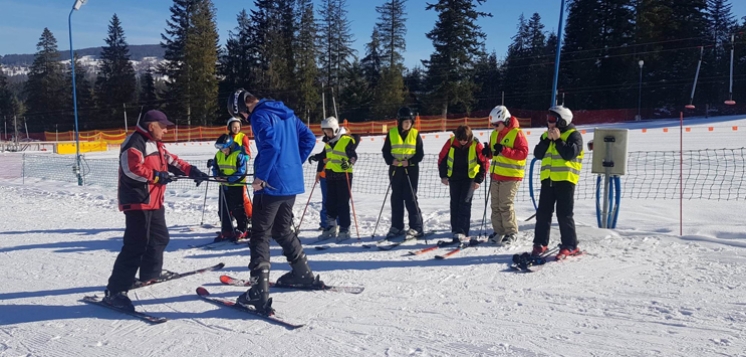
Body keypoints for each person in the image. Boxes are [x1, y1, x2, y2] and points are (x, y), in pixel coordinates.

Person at [103, 110, 208, 311]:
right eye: (163, 126)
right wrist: (157, 176)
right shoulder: (134, 142)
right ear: (152, 125)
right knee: (136, 245)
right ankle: (115, 291)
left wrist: (191, 170)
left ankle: (150, 274)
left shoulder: (155, 143)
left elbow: (171, 161)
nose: (166, 130)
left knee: (160, 237)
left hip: (154, 200)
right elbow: (131, 170)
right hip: (138, 201)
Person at [227, 88, 319, 315]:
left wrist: (262, 177)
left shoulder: (259, 115)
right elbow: (308, 138)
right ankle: (302, 273)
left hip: (271, 185)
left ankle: (258, 292)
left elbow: (271, 146)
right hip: (291, 183)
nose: (244, 120)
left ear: (243, 108)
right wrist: (291, 164)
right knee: (282, 229)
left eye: (241, 116)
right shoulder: (284, 112)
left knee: (260, 234)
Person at [531, 105, 584, 259]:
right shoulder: (545, 136)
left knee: (564, 214)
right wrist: (548, 140)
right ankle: (540, 243)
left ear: (562, 121)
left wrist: (558, 140)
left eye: (552, 119)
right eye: (548, 119)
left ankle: (570, 245)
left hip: (565, 181)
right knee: (543, 214)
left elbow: (569, 154)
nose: (549, 123)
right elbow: (538, 154)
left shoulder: (574, 135)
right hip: (548, 180)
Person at [481, 105, 528, 245]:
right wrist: (487, 153)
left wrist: (504, 150)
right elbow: (493, 152)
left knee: (505, 205)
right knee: (495, 205)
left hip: (512, 176)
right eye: (493, 125)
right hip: (496, 175)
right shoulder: (495, 134)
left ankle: (511, 232)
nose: (494, 127)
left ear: (505, 121)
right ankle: (498, 231)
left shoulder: (516, 133)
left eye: (496, 124)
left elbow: (523, 153)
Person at [437, 125, 488, 242]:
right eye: (460, 139)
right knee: (455, 203)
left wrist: (478, 180)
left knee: (465, 202)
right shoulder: (450, 143)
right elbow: (442, 159)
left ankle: (462, 230)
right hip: (454, 178)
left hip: (469, 179)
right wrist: (443, 176)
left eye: (465, 139)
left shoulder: (475, 144)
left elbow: (484, 163)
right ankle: (455, 229)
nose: (463, 142)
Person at [381, 107, 424, 239]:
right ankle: (397, 226)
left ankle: (416, 227)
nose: (407, 124)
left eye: (409, 122)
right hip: (395, 169)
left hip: (410, 169)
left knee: (410, 198)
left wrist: (410, 162)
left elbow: (420, 154)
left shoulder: (415, 134)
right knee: (396, 198)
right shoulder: (392, 133)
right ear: (399, 121)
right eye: (405, 121)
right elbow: (386, 151)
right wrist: (391, 160)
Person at [315, 116, 360, 241]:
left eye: (328, 131)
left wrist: (350, 163)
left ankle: (345, 229)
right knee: (330, 202)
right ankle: (330, 227)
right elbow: (325, 154)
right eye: (325, 131)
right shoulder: (328, 142)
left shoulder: (346, 140)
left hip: (344, 175)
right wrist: (316, 157)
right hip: (331, 174)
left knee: (342, 203)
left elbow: (353, 156)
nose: (326, 133)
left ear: (334, 129)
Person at [212, 134, 250, 242]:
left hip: (236, 186)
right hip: (223, 186)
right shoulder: (218, 155)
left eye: (224, 148)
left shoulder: (239, 154)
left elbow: (242, 172)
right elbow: (215, 167)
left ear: (230, 146)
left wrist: (229, 179)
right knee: (223, 209)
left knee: (237, 208)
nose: (222, 151)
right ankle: (227, 230)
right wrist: (217, 176)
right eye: (220, 149)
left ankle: (242, 229)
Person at [308, 134, 338, 231]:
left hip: (337, 176)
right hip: (325, 176)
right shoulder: (327, 145)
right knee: (326, 201)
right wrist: (318, 172)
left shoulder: (340, 143)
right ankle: (325, 223)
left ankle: (337, 223)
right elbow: (322, 157)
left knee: (336, 201)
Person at [227, 117, 253, 221]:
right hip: (228, 168)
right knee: (230, 194)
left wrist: (245, 157)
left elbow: (247, 152)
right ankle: (232, 214)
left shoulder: (243, 137)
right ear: (229, 127)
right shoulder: (227, 137)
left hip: (240, 169)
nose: (236, 129)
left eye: (238, 127)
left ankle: (250, 214)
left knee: (242, 194)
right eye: (234, 127)